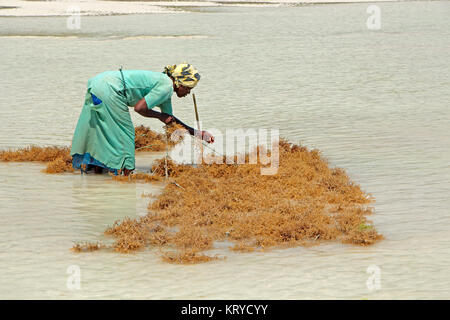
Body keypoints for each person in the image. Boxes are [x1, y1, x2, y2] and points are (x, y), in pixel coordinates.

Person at [70, 63, 214, 175]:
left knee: (101, 130)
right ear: (180, 83)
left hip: (98, 82)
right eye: (188, 88)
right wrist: (159, 116)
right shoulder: (166, 87)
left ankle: (97, 170)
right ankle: (126, 174)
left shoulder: (165, 86)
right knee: (125, 134)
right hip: (110, 89)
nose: (188, 93)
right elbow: (140, 108)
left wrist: (198, 134)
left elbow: (171, 120)